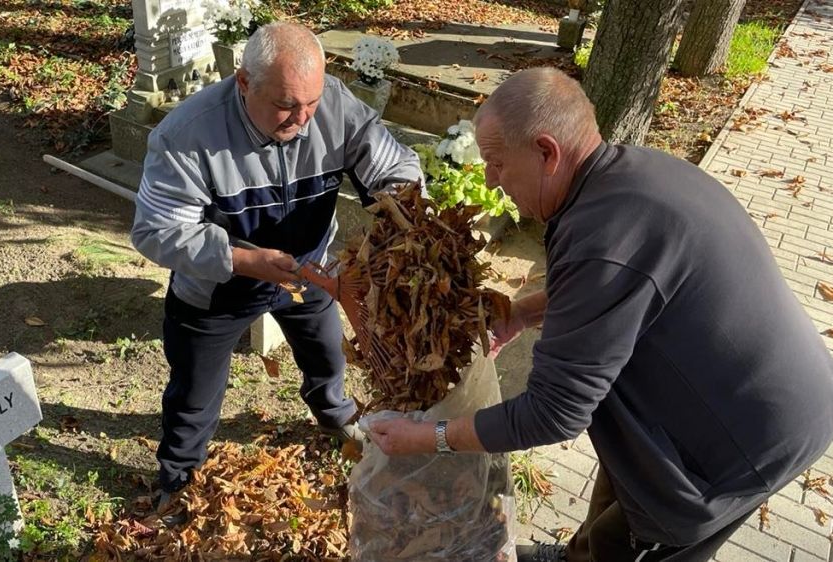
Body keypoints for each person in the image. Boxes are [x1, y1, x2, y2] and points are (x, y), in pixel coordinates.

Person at [368, 67, 833, 562]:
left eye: (497, 163)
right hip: (762, 387)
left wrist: (430, 437)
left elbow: (554, 414)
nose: (489, 179)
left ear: (547, 152)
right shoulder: (628, 175)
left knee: (647, 533)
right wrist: (525, 313)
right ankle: (581, 553)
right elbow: (622, 283)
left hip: (738, 442)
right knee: (625, 468)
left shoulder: (601, 235)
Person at [131, 21, 422, 522]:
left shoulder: (329, 102)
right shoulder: (185, 135)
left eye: (311, 103)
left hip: (311, 273)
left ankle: (334, 416)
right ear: (244, 83)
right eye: (287, 105)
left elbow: (397, 167)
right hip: (217, 287)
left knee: (328, 356)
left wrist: (398, 204)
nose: (304, 119)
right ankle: (178, 478)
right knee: (195, 395)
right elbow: (156, 231)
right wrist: (244, 260)